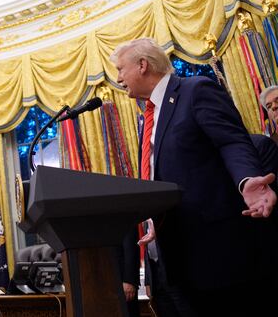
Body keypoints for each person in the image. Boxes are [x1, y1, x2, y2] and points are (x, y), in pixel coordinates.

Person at [111, 37, 277, 316]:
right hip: (174, 255)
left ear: (142, 65)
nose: (118, 78)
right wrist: (155, 216)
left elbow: (232, 141)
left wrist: (247, 180)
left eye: (120, 69)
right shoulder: (148, 117)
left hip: (217, 255)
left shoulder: (195, 90)